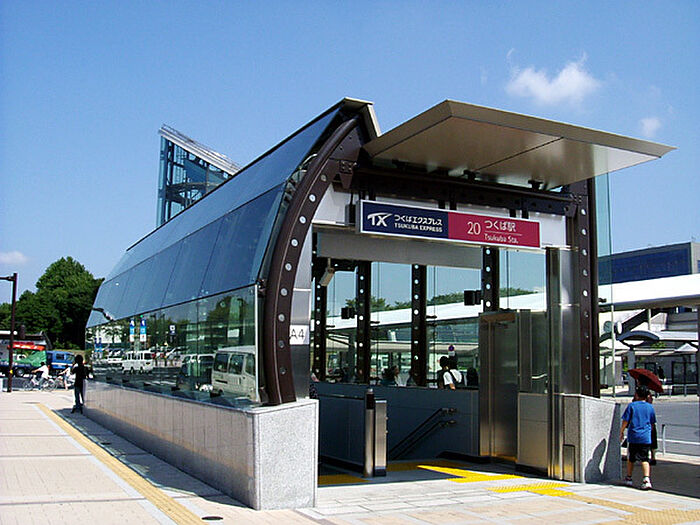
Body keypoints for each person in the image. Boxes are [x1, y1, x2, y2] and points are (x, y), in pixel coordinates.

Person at [620, 384, 656, 490]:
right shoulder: (650, 407)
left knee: (631, 458)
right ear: (647, 396)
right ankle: (646, 479)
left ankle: (629, 478)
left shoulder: (632, 406)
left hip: (634, 436)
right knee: (645, 459)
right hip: (645, 437)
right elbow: (652, 423)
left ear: (636, 395)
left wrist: (621, 431)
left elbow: (625, 421)